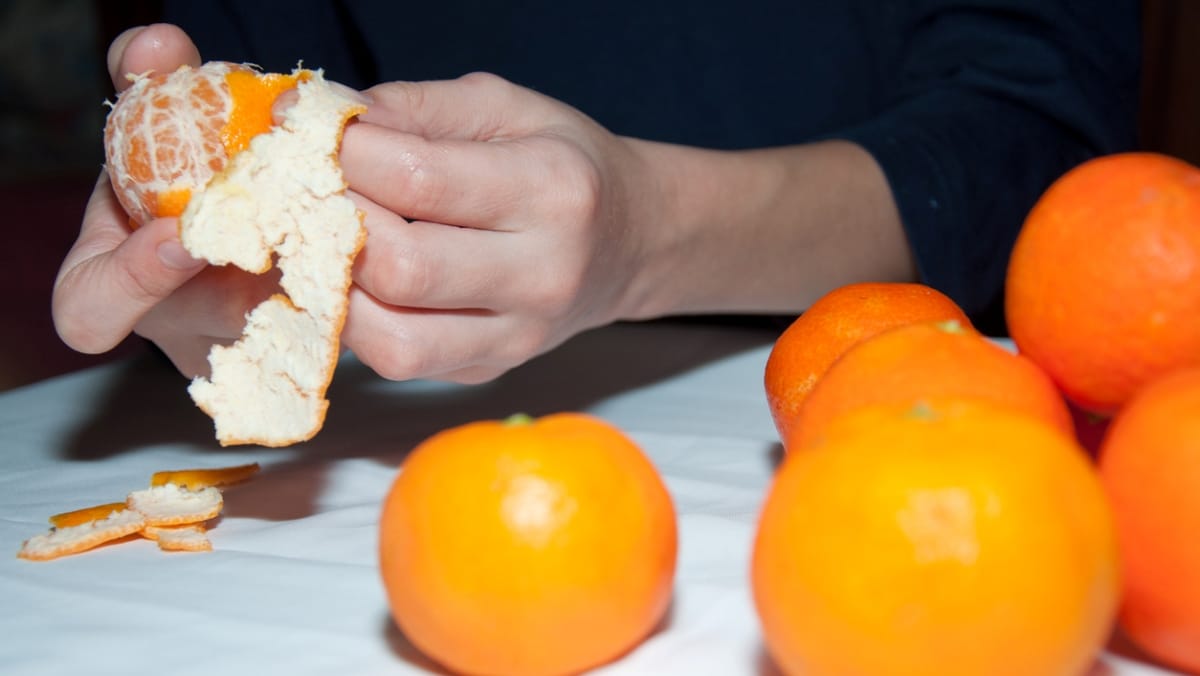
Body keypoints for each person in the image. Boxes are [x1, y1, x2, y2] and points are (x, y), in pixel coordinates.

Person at [53, 1, 1141, 384]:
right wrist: (201, 270)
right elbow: (242, 84)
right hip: (423, 421)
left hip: (891, 390)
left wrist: (651, 230)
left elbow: (1032, 132)